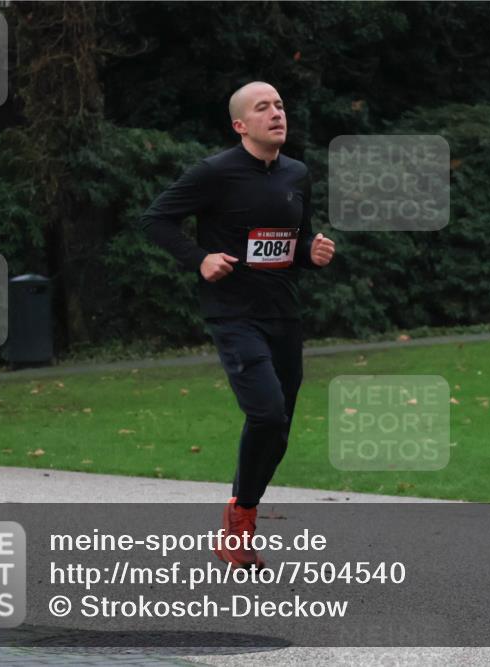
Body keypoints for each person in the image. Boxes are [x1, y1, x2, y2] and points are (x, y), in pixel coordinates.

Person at [139, 81, 335, 569]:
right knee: (266, 413)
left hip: (283, 315)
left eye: (280, 105)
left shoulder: (297, 174)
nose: (276, 113)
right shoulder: (215, 173)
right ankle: (241, 520)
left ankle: (239, 518)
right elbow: (156, 220)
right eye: (262, 107)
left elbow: (296, 241)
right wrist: (200, 257)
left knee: (280, 428)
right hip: (234, 316)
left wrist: (311, 253)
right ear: (240, 125)